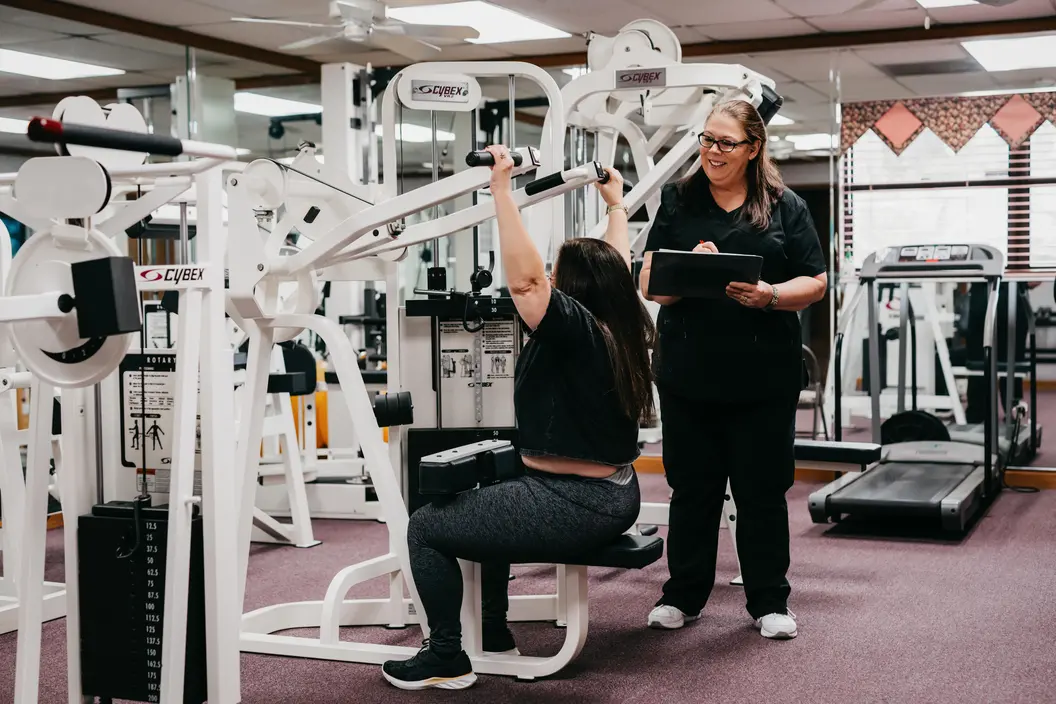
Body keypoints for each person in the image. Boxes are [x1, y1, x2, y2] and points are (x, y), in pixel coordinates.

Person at [382, 144, 656, 690]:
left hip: (572, 502)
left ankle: (445, 655)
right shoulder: (618, 320)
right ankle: (494, 629)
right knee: (489, 489)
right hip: (608, 492)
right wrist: (616, 208)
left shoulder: (577, 331)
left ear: (573, 289)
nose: (548, 279)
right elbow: (614, 263)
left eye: (558, 274)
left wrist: (501, 192)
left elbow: (527, 284)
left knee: (427, 527)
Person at [639, 100, 827, 639]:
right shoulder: (678, 200)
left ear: (753, 148)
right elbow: (651, 282)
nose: (712, 151)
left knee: (761, 490)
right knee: (693, 488)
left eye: (725, 143)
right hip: (688, 373)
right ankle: (683, 594)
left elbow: (814, 282)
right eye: (707, 139)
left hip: (761, 376)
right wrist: (687, 269)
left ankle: (769, 600)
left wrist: (769, 294)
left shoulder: (784, 205)